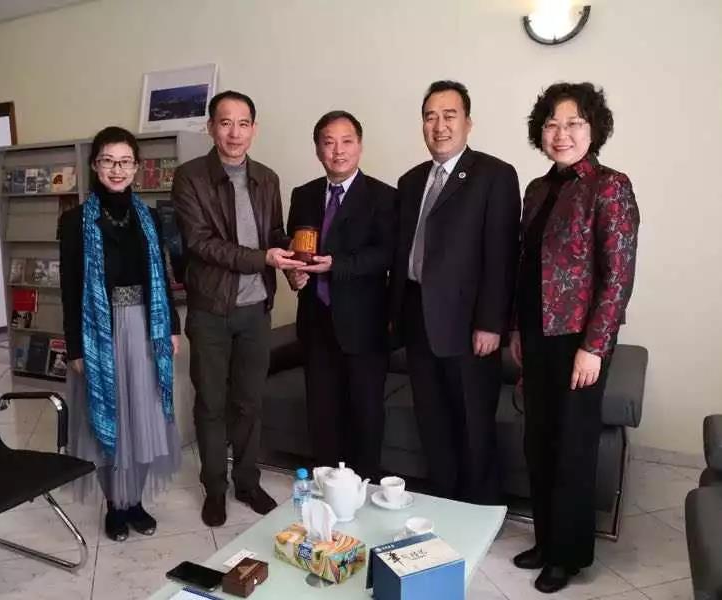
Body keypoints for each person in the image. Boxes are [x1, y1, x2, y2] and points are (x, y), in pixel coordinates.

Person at [509, 82, 640, 593]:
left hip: (578, 342)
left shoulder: (609, 187)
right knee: (538, 443)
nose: (561, 134)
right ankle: (545, 541)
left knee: (571, 449)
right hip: (537, 335)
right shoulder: (537, 189)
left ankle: (569, 556)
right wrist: (517, 329)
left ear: (593, 129)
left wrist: (594, 346)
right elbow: (525, 266)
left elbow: (618, 277)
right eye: (551, 124)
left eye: (573, 124)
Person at [172, 90, 303, 527]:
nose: (234, 133)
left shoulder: (267, 177)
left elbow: (275, 234)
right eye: (225, 123)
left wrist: (294, 261)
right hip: (211, 309)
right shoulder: (190, 177)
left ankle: (247, 481)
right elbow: (201, 243)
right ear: (211, 127)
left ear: (254, 129)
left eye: (243, 123)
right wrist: (263, 257)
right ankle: (215, 488)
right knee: (211, 403)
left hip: (256, 309)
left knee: (250, 402)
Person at [388, 80, 521, 505]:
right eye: (430, 117)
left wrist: (492, 323)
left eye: (449, 116)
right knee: (433, 424)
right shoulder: (411, 181)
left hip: (468, 327)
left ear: (468, 122)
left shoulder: (494, 175)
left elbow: (502, 255)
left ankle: (481, 511)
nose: (439, 126)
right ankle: (444, 506)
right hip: (417, 318)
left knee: (472, 426)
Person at [59, 126, 182, 542]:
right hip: (100, 332)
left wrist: (172, 327)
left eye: (125, 161)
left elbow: (161, 278)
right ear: (95, 166)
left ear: (136, 167)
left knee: (145, 415)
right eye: (108, 161)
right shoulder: (74, 222)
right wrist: (75, 348)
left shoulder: (149, 218)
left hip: (146, 327)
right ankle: (115, 504)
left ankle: (136, 502)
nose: (117, 169)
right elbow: (69, 290)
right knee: (108, 419)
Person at [286, 111, 396, 482]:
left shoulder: (383, 196)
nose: (338, 151)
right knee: (322, 415)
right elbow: (295, 248)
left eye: (347, 141)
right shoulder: (303, 195)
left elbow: (386, 254)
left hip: (364, 326)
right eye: (329, 142)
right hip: (315, 323)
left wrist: (337, 265)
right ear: (318, 149)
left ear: (359, 146)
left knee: (365, 415)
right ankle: (326, 489)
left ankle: (364, 488)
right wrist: (293, 273)